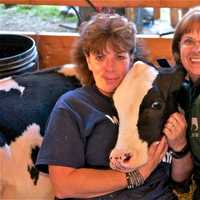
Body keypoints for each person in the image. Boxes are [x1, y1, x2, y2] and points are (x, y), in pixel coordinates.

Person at [36, 13, 192, 199]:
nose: (109, 67)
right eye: (100, 57)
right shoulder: (73, 106)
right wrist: (138, 175)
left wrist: (181, 146)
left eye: (119, 57)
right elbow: (64, 185)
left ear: (131, 59)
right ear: (88, 60)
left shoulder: (155, 100)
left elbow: (180, 181)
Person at [172, 7, 200, 199]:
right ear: (178, 49)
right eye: (189, 41)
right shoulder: (184, 89)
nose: (197, 49)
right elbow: (180, 179)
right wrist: (179, 144)